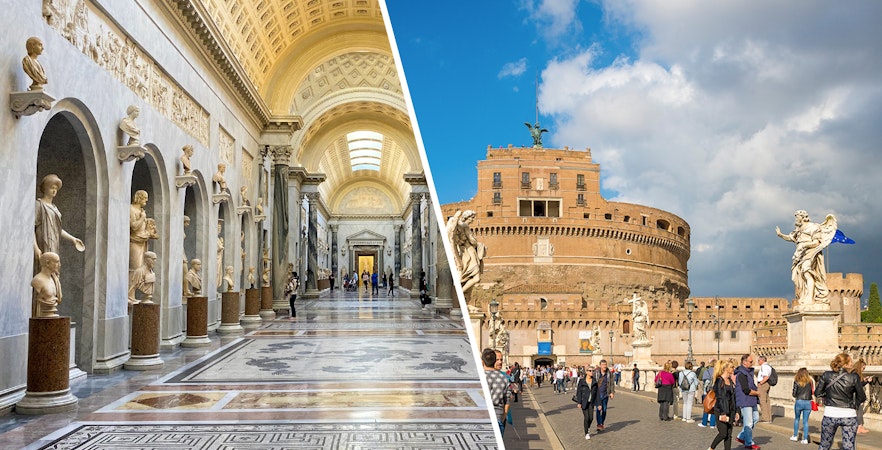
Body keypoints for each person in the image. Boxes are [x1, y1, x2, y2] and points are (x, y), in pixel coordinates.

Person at [775, 210, 837, 309]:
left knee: (807, 272)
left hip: (811, 253)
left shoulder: (813, 227)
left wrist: (805, 245)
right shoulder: (799, 229)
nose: (796, 219)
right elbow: (791, 238)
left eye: (797, 217)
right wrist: (781, 235)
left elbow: (817, 242)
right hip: (800, 255)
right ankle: (806, 296)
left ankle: (810, 299)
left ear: (803, 217)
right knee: (802, 276)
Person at [815, 352, 866, 450]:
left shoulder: (826, 375)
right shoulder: (853, 377)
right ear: (845, 364)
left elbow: (817, 393)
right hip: (848, 415)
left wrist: (828, 398)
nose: (852, 363)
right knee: (849, 447)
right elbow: (862, 397)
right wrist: (854, 405)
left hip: (830, 413)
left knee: (824, 446)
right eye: (850, 362)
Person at [34, 174, 85, 261]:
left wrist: (73, 239)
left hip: (54, 243)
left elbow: (58, 229)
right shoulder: (39, 204)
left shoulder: (55, 208)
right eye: (52, 188)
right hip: (42, 242)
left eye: (56, 189)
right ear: (45, 188)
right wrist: (36, 248)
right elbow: (30, 228)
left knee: (54, 266)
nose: (54, 191)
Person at [446, 210, 486, 297]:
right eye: (472, 217)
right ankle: (460, 293)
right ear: (467, 217)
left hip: (463, 252)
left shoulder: (458, 226)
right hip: (470, 252)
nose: (473, 220)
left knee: (468, 275)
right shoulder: (465, 226)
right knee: (476, 277)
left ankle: (459, 291)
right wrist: (480, 245)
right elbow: (472, 241)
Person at [707, 359, 739, 450]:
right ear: (726, 368)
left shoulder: (730, 380)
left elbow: (734, 397)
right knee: (723, 433)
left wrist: (737, 411)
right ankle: (711, 448)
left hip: (731, 410)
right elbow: (719, 398)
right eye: (731, 367)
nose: (733, 369)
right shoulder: (719, 381)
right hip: (721, 410)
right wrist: (722, 413)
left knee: (729, 434)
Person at [735, 354, 761, 450]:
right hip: (745, 400)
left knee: (755, 418)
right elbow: (746, 389)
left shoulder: (748, 372)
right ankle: (749, 443)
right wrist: (757, 393)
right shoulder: (741, 374)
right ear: (744, 362)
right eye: (750, 361)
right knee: (748, 422)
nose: (752, 363)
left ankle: (741, 436)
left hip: (751, 400)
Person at [482, 348, 510, 436]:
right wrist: (502, 418)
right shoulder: (504, 378)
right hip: (498, 416)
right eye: (497, 359)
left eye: (501, 359)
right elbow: (507, 401)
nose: (500, 362)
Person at [31, 252, 62, 318]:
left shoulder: (54, 280)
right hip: (43, 315)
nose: (59, 265)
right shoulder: (38, 280)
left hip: (52, 314)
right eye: (57, 262)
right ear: (47, 263)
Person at [791, 367, 813, 444]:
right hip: (808, 402)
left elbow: (794, 394)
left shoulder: (796, 382)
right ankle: (805, 439)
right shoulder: (810, 382)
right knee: (805, 421)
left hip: (799, 401)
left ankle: (795, 436)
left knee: (797, 419)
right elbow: (811, 392)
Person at [575, 368, 598, 440]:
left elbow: (597, 392)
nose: (591, 372)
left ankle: (587, 427)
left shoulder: (594, 381)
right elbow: (579, 392)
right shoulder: (582, 381)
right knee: (586, 417)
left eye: (593, 371)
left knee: (591, 418)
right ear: (586, 372)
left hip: (591, 402)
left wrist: (599, 403)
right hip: (584, 401)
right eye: (590, 371)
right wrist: (579, 402)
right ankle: (586, 433)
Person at [593, 359, 615, 431]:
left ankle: (602, 423)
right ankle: (599, 424)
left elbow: (611, 383)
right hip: (598, 395)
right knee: (598, 409)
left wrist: (612, 392)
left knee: (604, 410)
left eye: (605, 365)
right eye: (603, 365)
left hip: (605, 394)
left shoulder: (609, 373)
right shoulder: (596, 373)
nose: (605, 366)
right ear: (600, 366)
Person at [852, 358, 870, 434]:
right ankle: (859, 427)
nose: (863, 370)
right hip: (856, 396)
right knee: (859, 411)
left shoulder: (853, 374)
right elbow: (858, 387)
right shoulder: (856, 375)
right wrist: (862, 398)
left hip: (854, 395)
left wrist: (865, 381)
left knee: (857, 411)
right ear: (860, 367)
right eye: (863, 368)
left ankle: (858, 426)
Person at [700, 359, 719, 428]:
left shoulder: (707, 371)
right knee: (714, 406)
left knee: (706, 406)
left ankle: (704, 422)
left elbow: (704, 380)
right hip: (716, 391)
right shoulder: (718, 371)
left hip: (707, 391)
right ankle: (712, 424)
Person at [755, 356, 773, 422]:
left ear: (762, 360)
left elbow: (766, 376)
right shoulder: (768, 366)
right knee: (767, 400)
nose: (758, 362)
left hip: (763, 384)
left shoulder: (764, 367)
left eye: (759, 360)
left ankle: (765, 418)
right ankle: (769, 417)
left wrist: (761, 383)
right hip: (766, 384)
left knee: (762, 401)